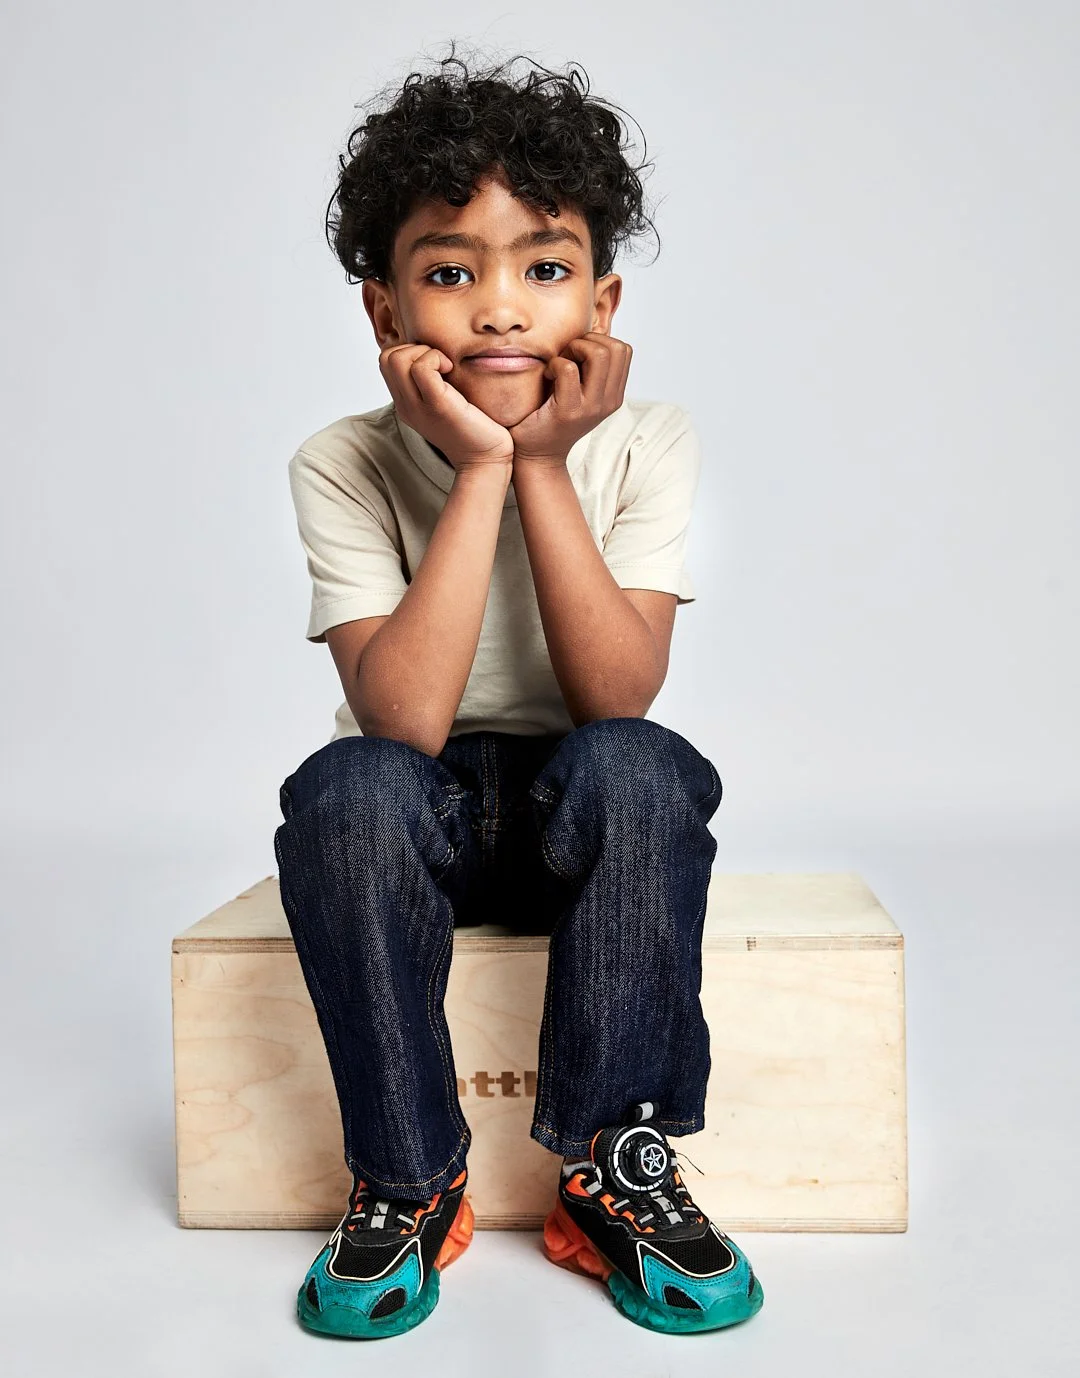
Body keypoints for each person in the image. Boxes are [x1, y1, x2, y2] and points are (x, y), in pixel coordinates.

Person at [273, 44, 764, 1340]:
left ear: (601, 302)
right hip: (417, 826)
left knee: (642, 764)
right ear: (384, 312)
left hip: (579, 826)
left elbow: (617, 694)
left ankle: (613, 1164)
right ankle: (407, 1174)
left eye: (543, 270)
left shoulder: (646, 442)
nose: (499, 311)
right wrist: (478, 467)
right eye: (450, 273)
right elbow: (404, 723)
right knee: (346, 788)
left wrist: (543, 463)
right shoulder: (341, 462)